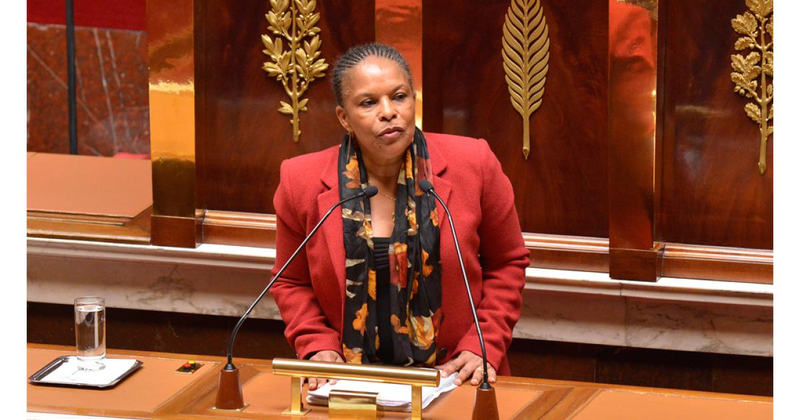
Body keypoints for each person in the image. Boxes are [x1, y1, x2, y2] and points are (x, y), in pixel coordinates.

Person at [270, 43, 529, 391]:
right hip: (349, 385)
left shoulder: (474, 163)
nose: (388, 112)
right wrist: (316, 344)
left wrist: (483, 343)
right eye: (368, 103)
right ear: (344, 118)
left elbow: (508, 263)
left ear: (414, 101)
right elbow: (290, 281)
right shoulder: (300, 181)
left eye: (400, 96)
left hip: (455, 378)